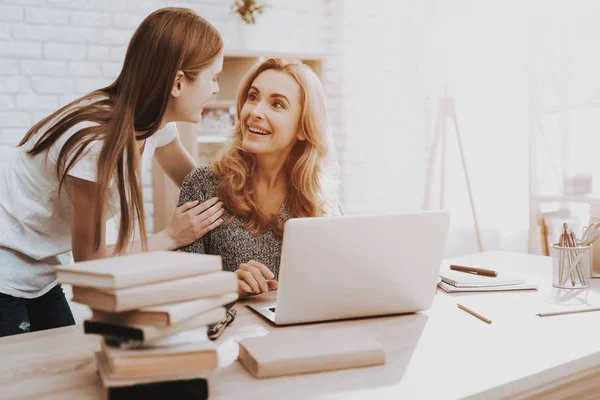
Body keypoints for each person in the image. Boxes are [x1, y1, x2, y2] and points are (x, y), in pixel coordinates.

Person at [0, 8, 226, 337]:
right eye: (214, 77)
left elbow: (196, 183)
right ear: (178, 83)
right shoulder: (98, 141)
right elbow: (90, 260)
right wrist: (171, 236)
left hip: (41, 265)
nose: (216, 89)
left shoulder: (153, 123)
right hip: (7, 260)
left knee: (62, 361)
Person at [177, 58, 342, 299]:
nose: (255, 112)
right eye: (253, 97)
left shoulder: (321, 200)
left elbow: (338, 288)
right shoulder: (203, 185)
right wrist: (228, 285)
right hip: (224, 335)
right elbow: (179, 289)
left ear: (303, 128)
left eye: (276, 104)